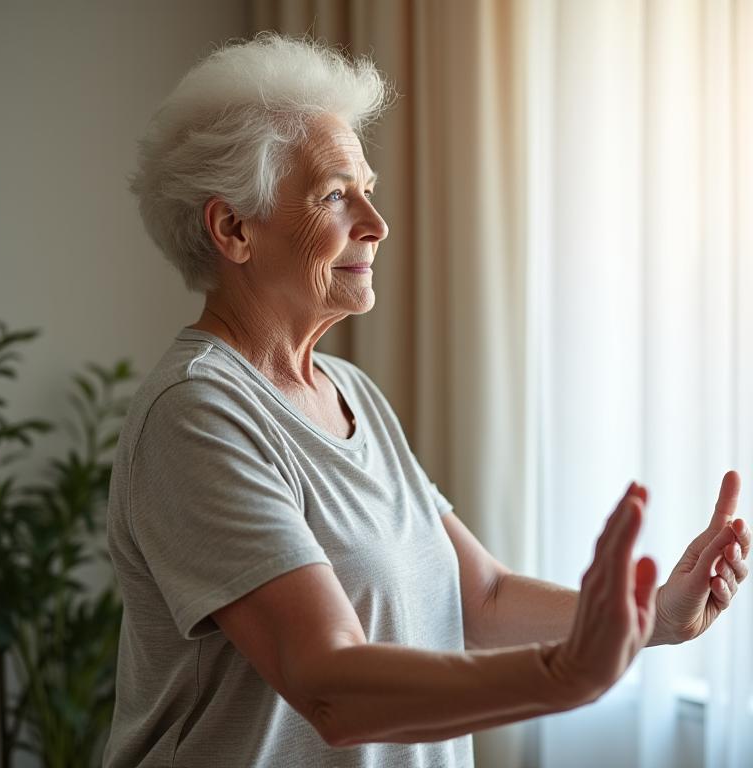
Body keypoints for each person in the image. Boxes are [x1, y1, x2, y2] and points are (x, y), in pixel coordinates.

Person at [103, 34, 750, 768]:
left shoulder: (352, 392)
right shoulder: (197, 415)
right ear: (233, 229)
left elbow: (481, 599)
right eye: (336, 195)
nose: (377, 225)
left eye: (368, 191)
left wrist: (651, 618)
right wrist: (560, 676)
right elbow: (329, 688)